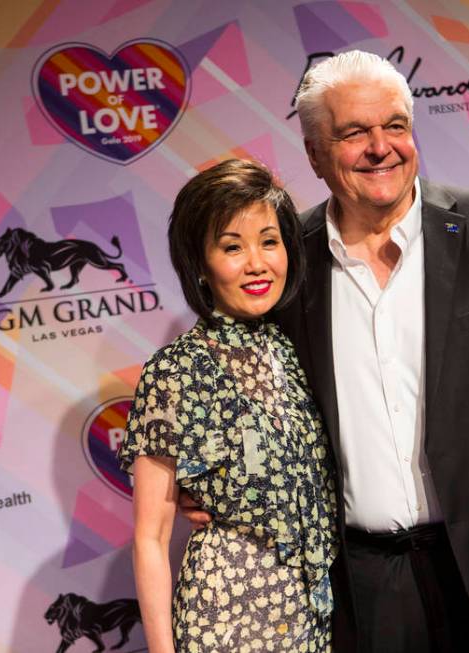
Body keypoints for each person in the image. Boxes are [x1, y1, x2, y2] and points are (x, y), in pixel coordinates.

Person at [183, 51, 469, 652]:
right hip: (355, 589)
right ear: (313, 153)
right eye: (354, 132)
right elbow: (253, 405)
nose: (380, 147)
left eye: (394, 126)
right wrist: (207, 484)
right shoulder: (288, 262)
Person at [118, 159, 338, 652]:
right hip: (226, 617)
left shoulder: (293, 350)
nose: (257, 263)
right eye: (232, 247)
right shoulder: (177, 371)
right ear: (200, 262)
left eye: (269, 241)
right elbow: (150, 538)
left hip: (309, 616)